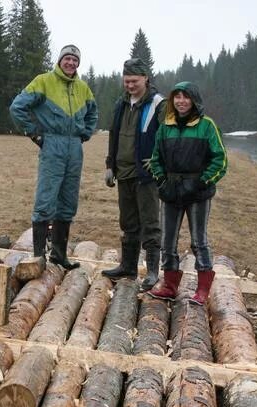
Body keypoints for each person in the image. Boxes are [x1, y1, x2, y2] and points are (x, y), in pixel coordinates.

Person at [9, 44, 98, 270]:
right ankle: (39, 256)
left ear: (78, 63)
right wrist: (35, 134)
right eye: (67, 59)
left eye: (75, 60)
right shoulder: (43, 81)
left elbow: (93, 113)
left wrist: (85, 134)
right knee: (46, 200)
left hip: (74, 148)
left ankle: (59, 255)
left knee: (68, 201)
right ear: (60, 61)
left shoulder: (83, 88)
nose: (70, 63)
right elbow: (17, 107)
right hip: (52, 144)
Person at [147, 81, 227, 305]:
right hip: (171, 191)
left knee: (198, 241)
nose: (181, 101)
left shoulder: (207, 126)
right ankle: (170, 285)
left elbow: (220, 160)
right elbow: (155, 160)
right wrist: (162, 181)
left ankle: (202, 289)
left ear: (194, 100)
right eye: (177, 97)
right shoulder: (165, 127)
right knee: (167, 241)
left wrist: (201, 182)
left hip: (197, 193)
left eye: (186, 97)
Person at [101, 57, 165, 290]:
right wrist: (110, 165)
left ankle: (151, 272)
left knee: (150, 223)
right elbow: (113, 135)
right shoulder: (121, 103)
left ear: (146, 78)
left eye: (134, 81)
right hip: (124, 173)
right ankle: (127, 266)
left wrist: (158, 162)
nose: (130, 85)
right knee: (128, 222)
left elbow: (166, 137)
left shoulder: (158, 104)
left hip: (145, 176)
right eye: (126, 81)